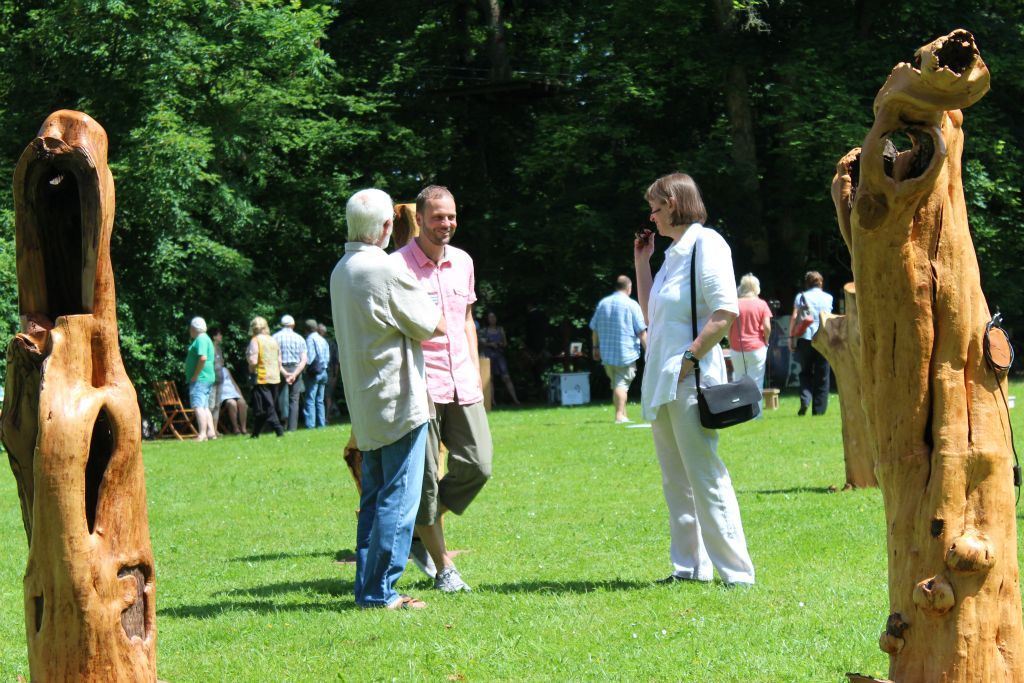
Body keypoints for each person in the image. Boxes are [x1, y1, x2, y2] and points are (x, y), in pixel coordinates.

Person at [635, 172, 755, 587]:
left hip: (690, 379)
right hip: (663, 380)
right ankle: (688, 568)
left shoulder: (707, 244)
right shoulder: (672, 253)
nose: (651, 217)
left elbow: (725, 312)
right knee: (675, 478)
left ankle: (737, 574)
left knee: (704, 474)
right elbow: (652, 314)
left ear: (674, 202)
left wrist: (689, 358)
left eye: (655, 207)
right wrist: (642, 262)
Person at [331, 187, 445, 610]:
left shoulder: (342, 269)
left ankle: (369, 589)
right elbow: (433, 324)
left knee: (375, 499)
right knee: (398, 500)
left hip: (366, 403)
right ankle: (380, 593)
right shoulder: (383, 269)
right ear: (384, 228)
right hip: (397, 401)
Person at [392, 185, 493, 593]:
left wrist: (474, 374)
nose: (446, 223)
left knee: (478, 464)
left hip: (461, 381)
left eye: (451, 216)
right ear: (420, 218)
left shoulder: (464, 261)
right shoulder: (397, 266)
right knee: (426, 480)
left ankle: (419, 525)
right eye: (437, 217)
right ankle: (444, 568)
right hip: (421, 385)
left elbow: (466, 319)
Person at [589, 275, 648, 423]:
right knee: (621, 385)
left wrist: (595, 347)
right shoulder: (631, 304)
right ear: (629, 288)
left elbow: (594, 328)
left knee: (616, 384)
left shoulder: (603, 303)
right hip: (625, 353)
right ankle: (619, 416)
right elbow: (641, 331)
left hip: (606, 353)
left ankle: (623, 414)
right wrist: (649, 350)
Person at [788, 271, 834, 416]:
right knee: (822, 375)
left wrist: (791, 337)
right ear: (821, 283)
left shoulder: (801, 296)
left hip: (805, 337)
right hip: (823, 337)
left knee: (805, 371)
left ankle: (805, 398)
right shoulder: (829, 298)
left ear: (807, 283)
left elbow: (795, 316)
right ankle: (819, 410)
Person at [728, 273, 773, 410]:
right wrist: (766, 340)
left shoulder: (734, 304)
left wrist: (731, 341)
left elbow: (727, 326)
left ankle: (740, 412)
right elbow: (767, 327)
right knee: (756, 382)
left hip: (736, 348)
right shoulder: (761, 304)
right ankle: (755, 412)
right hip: (756, 347)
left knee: (739, 381)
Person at [247, 316, 285, 438]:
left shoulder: (255, 340)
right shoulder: (273, 340)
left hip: (261, 377)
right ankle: (255, 434)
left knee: (267, 407)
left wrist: (249, 364)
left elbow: (253, 361)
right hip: (274, 377)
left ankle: (279, 430)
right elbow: (279, 360)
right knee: (262, 407)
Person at [185, 316, 217, 442]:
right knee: (204, 406)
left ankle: (202, 434)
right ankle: (211, 433)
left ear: (194, 328)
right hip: (206, 377)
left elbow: (202, 358)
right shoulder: (206, 338)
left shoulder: (201, 339)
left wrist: (195, 375)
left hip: (201, 378)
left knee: (198, 406)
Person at [273, 314, 307, 431]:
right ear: (293, 325)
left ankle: (281, 425)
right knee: (294, 399)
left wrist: (284, 373)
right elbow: (304, 360)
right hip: (295, 368)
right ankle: (292, 428)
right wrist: (294, 374)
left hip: (280, 369)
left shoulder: (275, 338)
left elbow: (274, 358)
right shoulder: (300, 338)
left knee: (279, 398)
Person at [479, 311, 521, 406]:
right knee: (490, 379)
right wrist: (490, 344)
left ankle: (515, 400)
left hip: (499, 355)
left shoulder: (500, 329)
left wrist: (500, 344)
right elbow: (481, 343)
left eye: (494, 317)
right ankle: (492, 401)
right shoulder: (484, 331)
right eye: (490, 317)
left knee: (506, 377)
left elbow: (505, 343)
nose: (492, 319)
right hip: (488, 355)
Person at [303, 319, 330, 428]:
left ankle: (310, 425)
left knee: (310, 399)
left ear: (306, 329)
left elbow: (310, 357)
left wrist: (305, 368)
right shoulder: (322, 339)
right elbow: (327, 357)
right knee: (320, 400)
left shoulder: (310, 339)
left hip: (314, 373)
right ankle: (321, 424)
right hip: (324, 371)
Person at [218, 364, 249, 435]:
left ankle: (244, 429)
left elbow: (234, 383)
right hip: (223, 396)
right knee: (232, 403)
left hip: (233, 393)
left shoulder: (225, 370)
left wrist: (241, 396)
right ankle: (236, 429)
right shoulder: (212, 370)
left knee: (243, 403)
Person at [320, 322, 341, 421]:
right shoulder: (331, 343)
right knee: (327, 396)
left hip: (328, 372)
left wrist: (335, 375)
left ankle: (325, 417)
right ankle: (326, 417)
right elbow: (337, 361)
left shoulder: (329, 343)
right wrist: (336, 375)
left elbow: (336, 361)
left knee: (324, 396)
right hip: (330, 373)